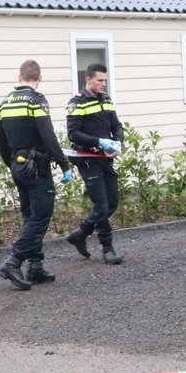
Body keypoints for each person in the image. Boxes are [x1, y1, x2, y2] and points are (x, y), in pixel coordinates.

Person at [0, 59, 73, 290]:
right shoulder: (37, 101)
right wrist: (64, 164)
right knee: (41, 216)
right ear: (40, 78)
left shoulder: (4, 103)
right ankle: (14, 261)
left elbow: (1, 141)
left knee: (30, 216)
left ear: (19, 77)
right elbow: (48, 136)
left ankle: (35, 266)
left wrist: (11, 165)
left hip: (18, 165)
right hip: (37, 166)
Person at [65, 62, 125, 264]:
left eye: (105, 81)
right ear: (88, 79)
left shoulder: (106, 100)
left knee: (112, 202)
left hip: (106, 158)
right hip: (88, 159)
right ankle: (108, 249)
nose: (103, 84)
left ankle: (80, 233)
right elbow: (73, 133)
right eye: (100, 80)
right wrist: (98, 141)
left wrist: (118, 142)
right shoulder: (77, 103)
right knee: (101, 204)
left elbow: (117, 126)